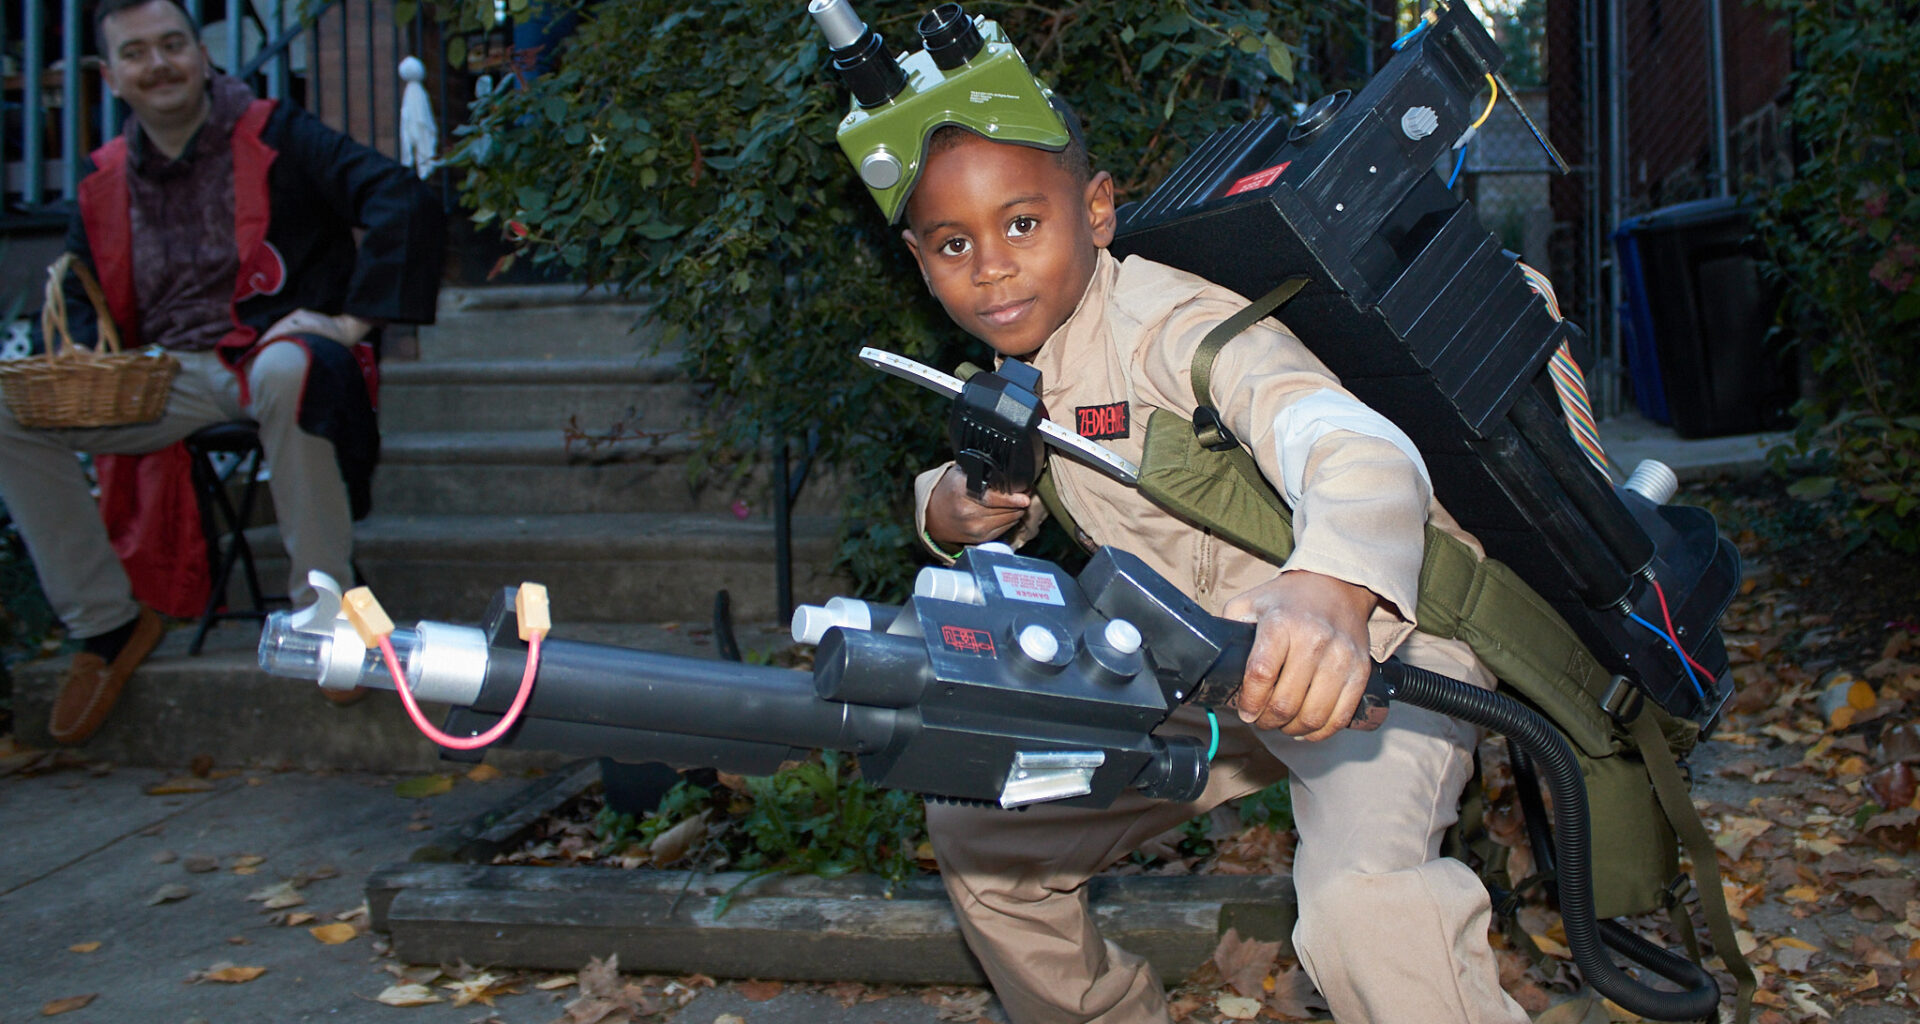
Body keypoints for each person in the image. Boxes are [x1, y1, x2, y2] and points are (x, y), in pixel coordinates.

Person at [897, 117, 1532, 1023]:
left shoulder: (1180, 329)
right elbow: (1002, 482)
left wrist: (1332, 586)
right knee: (984, 833)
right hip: (1206, 670)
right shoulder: (1026, 366)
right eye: (956, 243)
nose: (992, 266)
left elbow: (1352, 447)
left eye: (1023, 225)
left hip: (1374, 657)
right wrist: (948, 508)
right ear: (922, 261)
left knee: (1367, 907)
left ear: (1098, 211)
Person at [0, 0, 443, 745]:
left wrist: (347, 323)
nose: (161, 64)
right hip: (161, 377)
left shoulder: (277, 133)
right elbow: (81, 295)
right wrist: (87, 359)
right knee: (7, 410)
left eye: (174, 44)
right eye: (137, 53)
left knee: (289, 367)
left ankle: (327, 613)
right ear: (112, 77)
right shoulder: (102, 179)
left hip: (269, 356)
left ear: (203, 57)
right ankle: (105, 624)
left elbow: (401, 196)